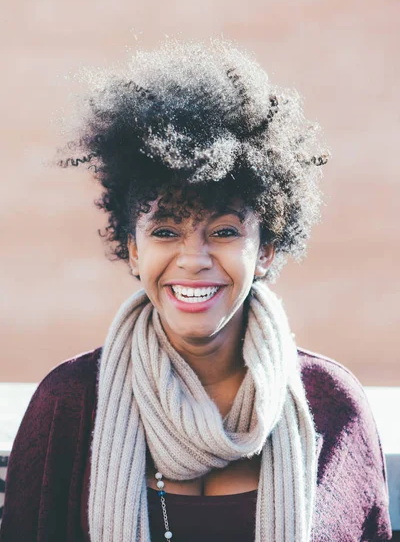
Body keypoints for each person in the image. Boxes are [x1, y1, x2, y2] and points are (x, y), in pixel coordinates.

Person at [0, 39, 392, 542]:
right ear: (133, 249)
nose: (193, 258)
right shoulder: (73, 402)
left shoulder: (331, 404)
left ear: (266, 249)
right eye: (165, 232)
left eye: (225, 231)